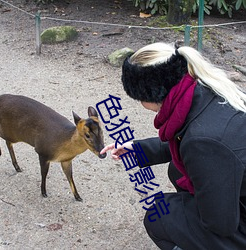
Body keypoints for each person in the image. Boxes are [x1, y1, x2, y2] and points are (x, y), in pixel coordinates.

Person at [100, 42, 246, 250]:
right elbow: (187, 139)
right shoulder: (206, 88)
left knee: (159, 215)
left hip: (237, 223)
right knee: (177, 169)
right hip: (237, 187)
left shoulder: (203, 142)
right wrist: (138, 149)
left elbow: (221, 224)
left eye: (139, 97)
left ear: (151, 93)